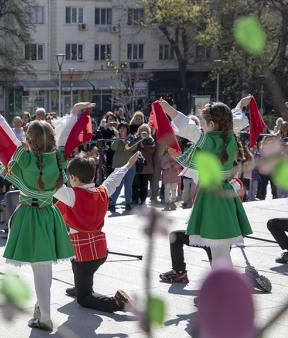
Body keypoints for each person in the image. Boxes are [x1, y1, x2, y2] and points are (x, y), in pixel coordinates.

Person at [0, 97, 82, 332]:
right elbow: (63, 139)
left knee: (39, 268)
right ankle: (41, 308)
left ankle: (44, 315)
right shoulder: (57, 158)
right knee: (45, 267)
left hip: (29, 216)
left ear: (31, 140)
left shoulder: (24, 157)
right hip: (48, 214)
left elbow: (9, 140)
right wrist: (73, 114)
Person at [158, 98, 252, 281]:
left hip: (212, 197)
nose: (202, 126)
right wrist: (239, 105)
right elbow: (236, 119)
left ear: (212, 123)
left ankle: (224, 292)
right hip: (225, 196)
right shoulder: (231, 136)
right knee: (220, 250)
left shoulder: (207, 140)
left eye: (204, 123)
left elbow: (188, 128)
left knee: (218, 250)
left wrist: (168, 109)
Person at [54, 152, 140, 312]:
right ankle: (80, 286)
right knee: (76, 262)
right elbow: (114, 179)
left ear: (73, 178)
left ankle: (118, 303)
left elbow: (53, 186)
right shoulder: (102, 191)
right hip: (100, 251)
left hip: (84, 254)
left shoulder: (72, 195)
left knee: (84, 298)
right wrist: (127, 165)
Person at [109, 122, 138, 212]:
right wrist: (118, 138)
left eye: (124, 128)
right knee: (117, 186)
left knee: (128, 186)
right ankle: (112, 203)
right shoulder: (115, 138)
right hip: (118, 166)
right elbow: (113, 147)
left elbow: (131, 147)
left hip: (130, 166)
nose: (122, 130)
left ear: (127, 129)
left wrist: (124, 140)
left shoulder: (131, 138)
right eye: (120, 128)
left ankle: (128, 203)